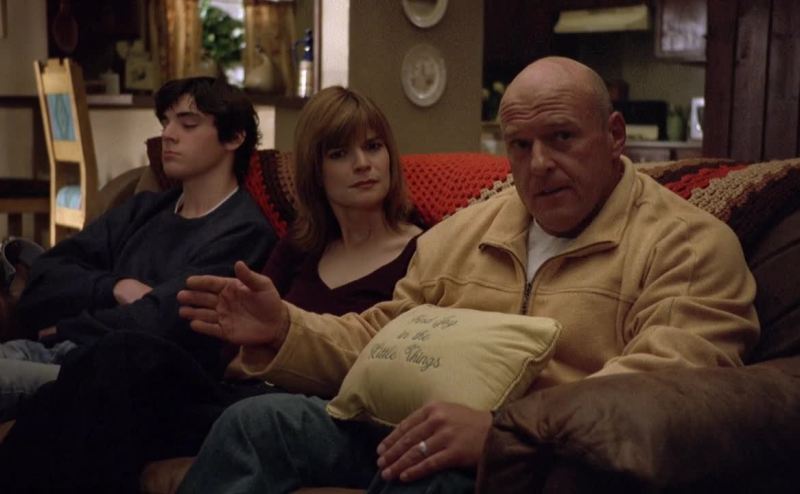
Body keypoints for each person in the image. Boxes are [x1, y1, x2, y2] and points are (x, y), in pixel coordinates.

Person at [175, 57, 759, 493]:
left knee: (432, 474)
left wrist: (503, 433)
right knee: (257, 422)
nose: (540, 164)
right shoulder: (462, 233)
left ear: (614, 136)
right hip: (406, 428)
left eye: (562, 137)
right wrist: (285, 329)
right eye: (520, 145)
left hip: (543, 462)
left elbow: (667, 384)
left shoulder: (687, 244)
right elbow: (385, 337)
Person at [0, 85, 421, 493]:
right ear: (316, 171)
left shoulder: (421, 252)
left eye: (373, 147)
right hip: (232, 391)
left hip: (312, 413)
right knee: (110, 371)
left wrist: (273, 346)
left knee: (118, 365)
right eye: (340, 153)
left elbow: (399, 364)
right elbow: (231, 343)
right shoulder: (302, 246)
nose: (363, 164)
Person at [0, 76, 276, 419]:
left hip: (122, 379)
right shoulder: (145, 208)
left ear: (234, 137)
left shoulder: (243, 231)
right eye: (166, 122)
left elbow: (161, 323)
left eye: (188, 124)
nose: (168, 134)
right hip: (53, 352)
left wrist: (67, 326)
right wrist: (115, 286)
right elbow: (44, 276)